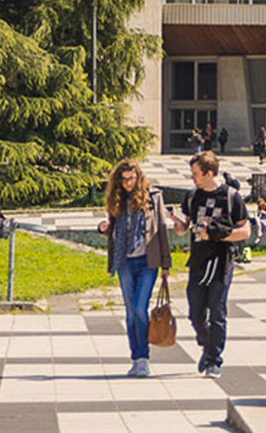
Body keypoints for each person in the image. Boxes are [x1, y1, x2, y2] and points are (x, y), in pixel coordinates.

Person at [168, 151, 249, 379]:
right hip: (198, 260)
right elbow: (185, 228)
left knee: (217, 310)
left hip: (222, 260)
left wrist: (215, 236)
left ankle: (214, 359)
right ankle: (206, 344)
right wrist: (177, 225)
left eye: (195, 174)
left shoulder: (231, 197)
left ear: (209, 173)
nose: (192, 178)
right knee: (195, 312)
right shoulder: (192, 196)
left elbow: (245, 230)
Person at [98, 159, 171, 378]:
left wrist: (166, 263)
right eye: (124, 179)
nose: (128, 183)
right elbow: (113, 229)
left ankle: (144, 358)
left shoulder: (153, 196)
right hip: (125, 262)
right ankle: (136, 358)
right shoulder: (117, 199)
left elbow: (162, 228)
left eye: (132, 178)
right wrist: (103, 229)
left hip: (148, 261)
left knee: (140, 309)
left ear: (139, 178)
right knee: (130, 313)